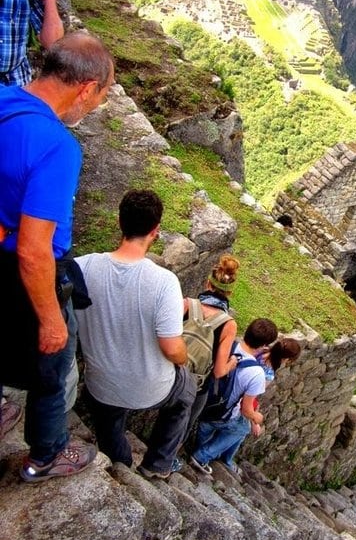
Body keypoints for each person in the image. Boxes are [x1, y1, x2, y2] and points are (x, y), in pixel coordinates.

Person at [0, 31, 114, 482]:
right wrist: (50, 318)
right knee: (53, 367)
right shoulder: (56, 146)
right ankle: (45, 455)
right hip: (19, 272)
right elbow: (33, 250)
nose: (95, 107)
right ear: (86, 88)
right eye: (100, 97)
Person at [75, 190, 197, 479]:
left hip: (101, 384)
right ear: (155, 232)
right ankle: (157, 463)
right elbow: (171, 348)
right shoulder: (163, 282)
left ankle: (120, 465)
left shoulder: (82, 267)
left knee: (109, 423)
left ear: (119, 221)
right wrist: (183, 358)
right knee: (186, 391)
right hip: (151, 389)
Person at [189, 318, 278, 475]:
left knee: (206, 425)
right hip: (222, 413)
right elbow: (246, 410)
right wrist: (257, 417)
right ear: (264, 346)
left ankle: (196, 447)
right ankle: (201, 456)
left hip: (203, 401)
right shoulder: (256, 373)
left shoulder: (228, 344)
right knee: (243, 427)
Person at [184, 254, 240, 432]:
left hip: (168, 369)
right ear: (230, 292)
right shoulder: (228, 324)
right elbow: (218, 371)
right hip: (194, 385)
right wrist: (232, 363)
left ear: (208, 284)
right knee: (184, 423)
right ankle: (170, 457)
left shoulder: (186, 304)